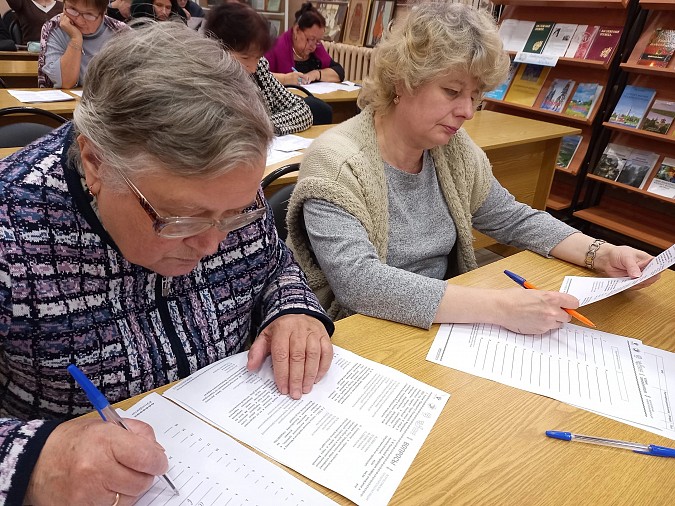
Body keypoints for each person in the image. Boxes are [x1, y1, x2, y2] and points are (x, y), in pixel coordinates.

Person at [0, 22, 333, 505]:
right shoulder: (12, 224)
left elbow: (274, 266)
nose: (214, 244)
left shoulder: (225, 188)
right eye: (181, 219)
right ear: (95, 162)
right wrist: (33, 462)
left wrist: (294, 308)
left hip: (248, 444)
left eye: (235, 214)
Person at [286, 2, 660, 334]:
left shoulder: (451, 149)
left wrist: (602, 253)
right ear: (403, 81)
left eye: (476, 95)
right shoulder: (336, 163)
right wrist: (500, 307)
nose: (467, 110)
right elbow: (360, 284)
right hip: (363, 331)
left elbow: (513, 218)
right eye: (452, 91)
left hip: (441, 324)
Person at [204, 2, 313, 135]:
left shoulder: (259, 69)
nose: (253, 68)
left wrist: (263, 128)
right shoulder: (207, 83)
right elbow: (223, 132)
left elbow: (303, 111)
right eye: (245, 58)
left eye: (257, 57)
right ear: (217, 49)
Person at [38, 0, 128, 88]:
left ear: (103, 13)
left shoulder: (121, 33)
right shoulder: (53, 28)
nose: (79, 21)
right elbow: (66, 82)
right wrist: (75, 38)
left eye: (89, 15)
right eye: (72, 9)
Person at [265, 1, 345, 86]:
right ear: (296, 30)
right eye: (310, 39)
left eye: (318, 41)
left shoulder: (317, 47)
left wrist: (315, 74)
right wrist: (285, 79)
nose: (314, 46)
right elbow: (259, 76)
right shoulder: (276, 48)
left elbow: (339, 72)